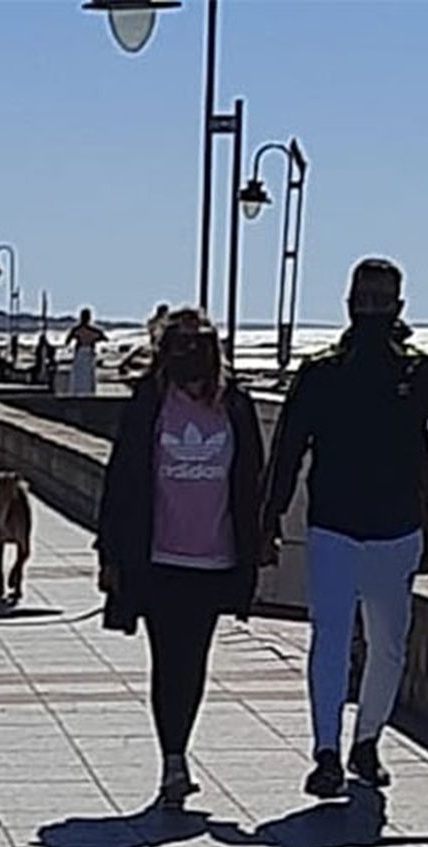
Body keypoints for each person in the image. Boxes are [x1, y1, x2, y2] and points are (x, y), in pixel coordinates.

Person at [261, 258, 428, 798]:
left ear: (399, 304)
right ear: (348, 301)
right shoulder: (321, 373)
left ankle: (366, 740)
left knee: (389, 644)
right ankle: (326, 752)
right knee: (328, 639)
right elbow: (287, 451)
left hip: (397, 530)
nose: (370, 307)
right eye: (362, 298)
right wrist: (268, 520)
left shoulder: (419, 372)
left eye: (381, 299)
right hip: (333, 528)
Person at [97, 308, 266, 808]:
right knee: (167, 659)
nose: (191, 354)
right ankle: (174, 760)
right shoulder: (149, 403)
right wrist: (110, 552)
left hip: (215, 558)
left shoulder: (235, 402)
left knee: (192, 661)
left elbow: (251, 476)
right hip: (157, 557)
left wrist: (261, 537)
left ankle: (178, 750)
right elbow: (121, 477)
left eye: (200, 343)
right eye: (181, 344)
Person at [65, 307, 108, 396]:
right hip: (87, 353)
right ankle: (87, 393)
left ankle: (80, 393)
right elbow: (104, 338)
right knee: (86, 375)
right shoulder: (93, 330)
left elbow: (67, 341)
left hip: (82, 353)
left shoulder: (77, 329)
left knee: (81, 375)